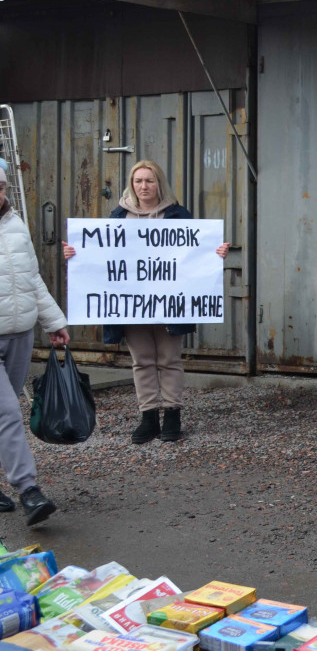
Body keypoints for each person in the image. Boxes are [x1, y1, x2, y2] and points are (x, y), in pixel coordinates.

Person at [63, 160, 229, 444]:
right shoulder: (118, 216)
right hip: (132, 308)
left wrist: (216, 253)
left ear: (159, 183)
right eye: (138, 181)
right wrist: (76, 255)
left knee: (169, 360)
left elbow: (195, 253)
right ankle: (149, 415)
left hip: (169, 306)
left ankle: (173, 414)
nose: (143, 186)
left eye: (149, 181)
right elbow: (102, 257)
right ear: (132, 184)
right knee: (142, 361)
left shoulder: (177, 215)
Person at [0, 161, 71, 525]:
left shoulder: (15, 225)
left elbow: (31, 279)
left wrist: (53, 321)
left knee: (2, 415)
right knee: (8, 411)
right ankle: (28, 490)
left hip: (19, 333)